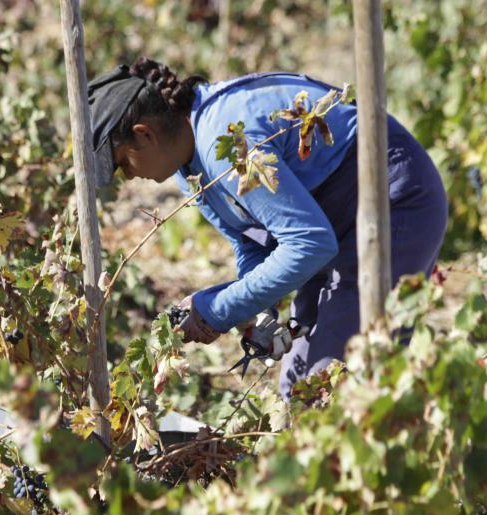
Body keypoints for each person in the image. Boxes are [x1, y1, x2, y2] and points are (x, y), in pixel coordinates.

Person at [87, 58, 448, 398]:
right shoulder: (189, 170)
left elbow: (309, 243)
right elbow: (251, 242)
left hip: (392, 202)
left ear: (145, 134)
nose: (128, 177)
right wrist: (257, 310)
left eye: (122, 163)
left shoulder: (224, 143)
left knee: (330, 391)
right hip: (331, 225)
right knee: (296, 384)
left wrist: (219, 309)